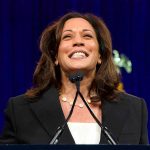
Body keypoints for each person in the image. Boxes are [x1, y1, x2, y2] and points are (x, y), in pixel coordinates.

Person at [0, 12, 149, 144]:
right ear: (55, 56)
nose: (78, 41)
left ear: (100, 55)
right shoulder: (21, 110)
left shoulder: (134, 109)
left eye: (87, 36)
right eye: (67, 36)